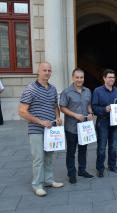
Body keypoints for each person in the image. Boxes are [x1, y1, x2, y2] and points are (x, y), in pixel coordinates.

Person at [19, 62, 64, 197]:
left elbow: (55, 106)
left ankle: (48, 180)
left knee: (49, 156)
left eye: (49, 70)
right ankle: (37, 185)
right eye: (44, 70)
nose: (47, 72)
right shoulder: (30, 89)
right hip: (36, 130)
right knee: (38, 158)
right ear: (38, 71)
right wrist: (40, 122)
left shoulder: (52, 89)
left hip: (51, 130)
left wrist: (58, 117)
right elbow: (22, 111)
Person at [59, 68, 94, 184]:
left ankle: (82, 170)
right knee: (71, 151)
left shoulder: (88, 91)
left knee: (83, 150)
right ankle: (71, 174)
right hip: (71, 127)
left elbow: (88, 104)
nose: (79, 80)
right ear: (73, 78)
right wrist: (74, 115)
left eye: (81, 77)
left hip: (84, 127)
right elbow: (62, 107)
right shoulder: (66, 92)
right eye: (77, 77)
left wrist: (90, 113)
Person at [92, 69, 117, 177]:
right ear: (104, 78)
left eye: (113, 77)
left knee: (113, 146)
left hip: (115, 123)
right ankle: (100, 168)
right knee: (101, 146)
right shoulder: (97, 91)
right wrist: (104, 109)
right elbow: (94, 108)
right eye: (109, 77)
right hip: (103, 122)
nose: (111, 79)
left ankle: (112, 165)